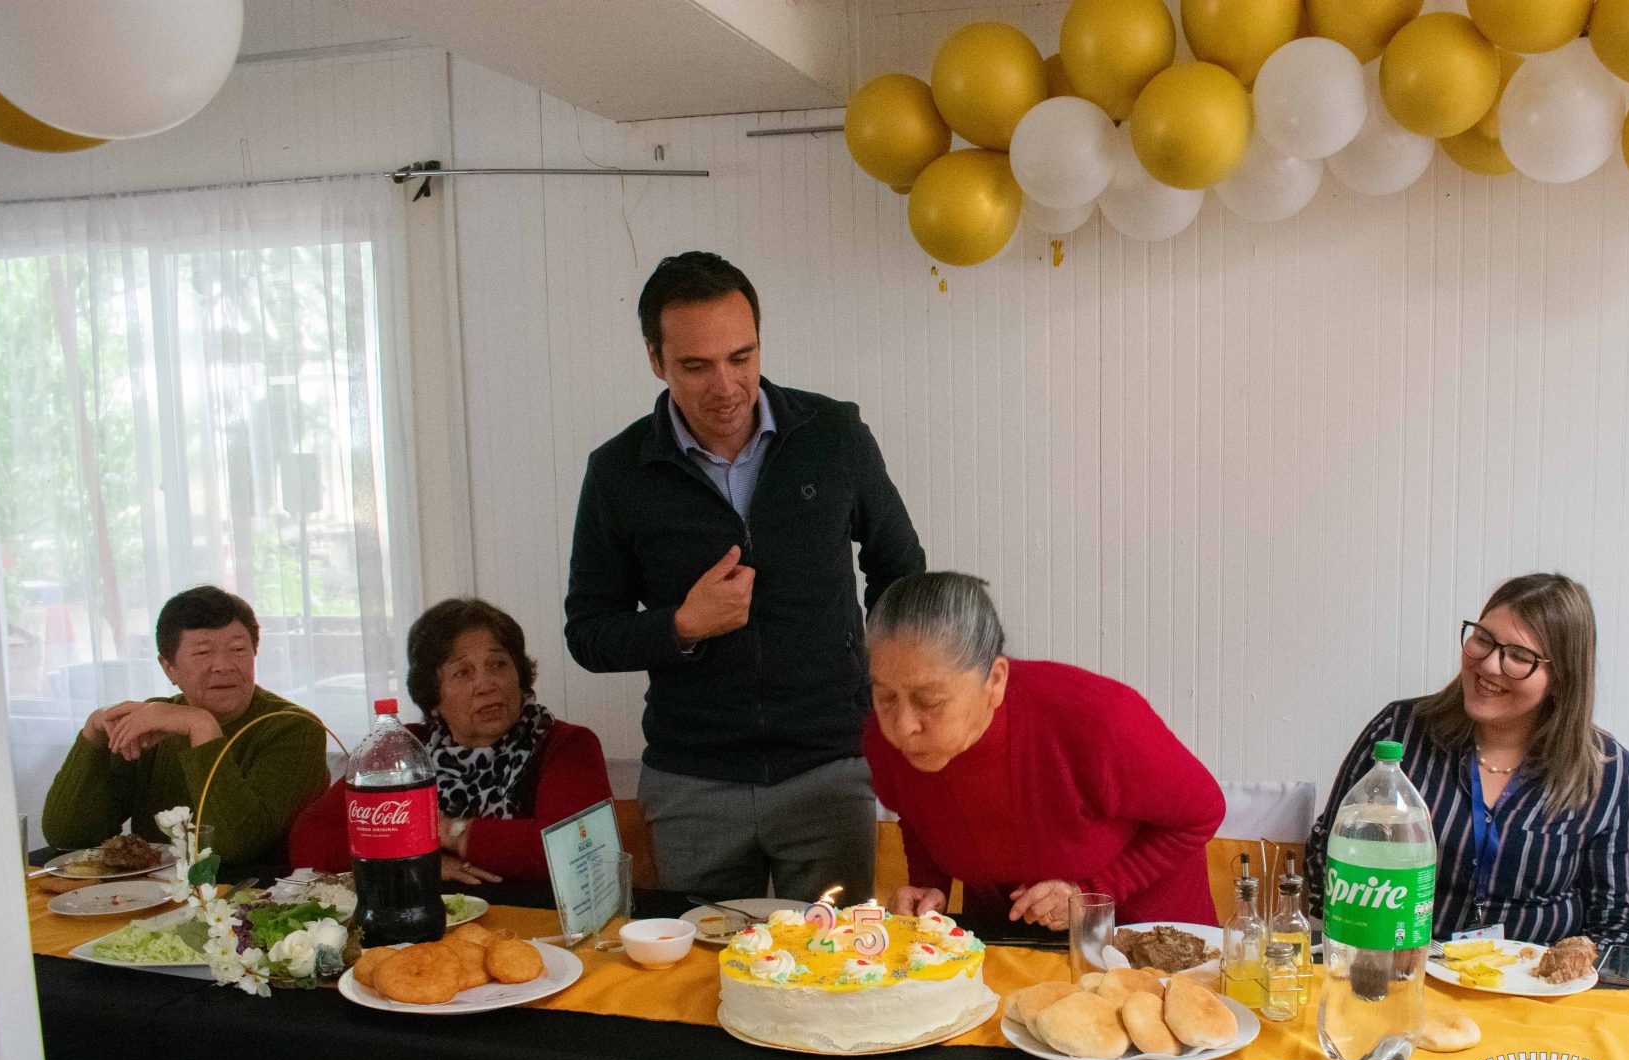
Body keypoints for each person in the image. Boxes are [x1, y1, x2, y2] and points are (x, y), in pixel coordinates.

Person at [565, 251, 924, 905]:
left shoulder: (834, 435)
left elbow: (900, 569)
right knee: (702, 967)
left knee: (833, 964)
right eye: (696, 366)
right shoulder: (617, 471)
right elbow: (588, 633)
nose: (726, 385)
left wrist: (878, 683)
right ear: (656, 360)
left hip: (829, 769)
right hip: (692, 782)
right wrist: (681, 626)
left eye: (741, 357)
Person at [1305, 573, 1629, 948]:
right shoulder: (1399, 733)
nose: (1489, 665)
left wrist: (1563, 969)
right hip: (1405, 968)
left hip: (1533, 981)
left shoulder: (1605, 771)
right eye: (1484, 640)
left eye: (1519, 656)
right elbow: (1324, 856)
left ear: (1561, 678)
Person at [864, 572, 1224, 934]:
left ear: (995, 680)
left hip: (1144, 932)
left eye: (930, 701)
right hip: (1010, 931)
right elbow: (920, 813)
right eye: (885, 696)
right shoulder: (884, 739)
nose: (903, 726)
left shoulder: (1098, 721)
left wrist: (1091, 892)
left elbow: (1203, 811)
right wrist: (930, 887)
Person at [289, 599, 613, 885]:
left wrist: (449, 831)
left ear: (520, 676)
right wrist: (417, 862)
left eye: (499, 664)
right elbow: (309, 839)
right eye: (463, 673)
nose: (486, 684)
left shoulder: (567, 746)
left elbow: (575, 850)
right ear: (433, 698)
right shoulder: (403, 750)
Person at [41, 585, 329, 863]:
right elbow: (69, 837)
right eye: (203, 653)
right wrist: (92, 734)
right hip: (150, 890)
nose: (224, 665)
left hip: (252, 892)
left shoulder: (294, 728)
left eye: (238, 649)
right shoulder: (152, 722)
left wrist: (201, 726)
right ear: (169, 668)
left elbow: (235, 847)